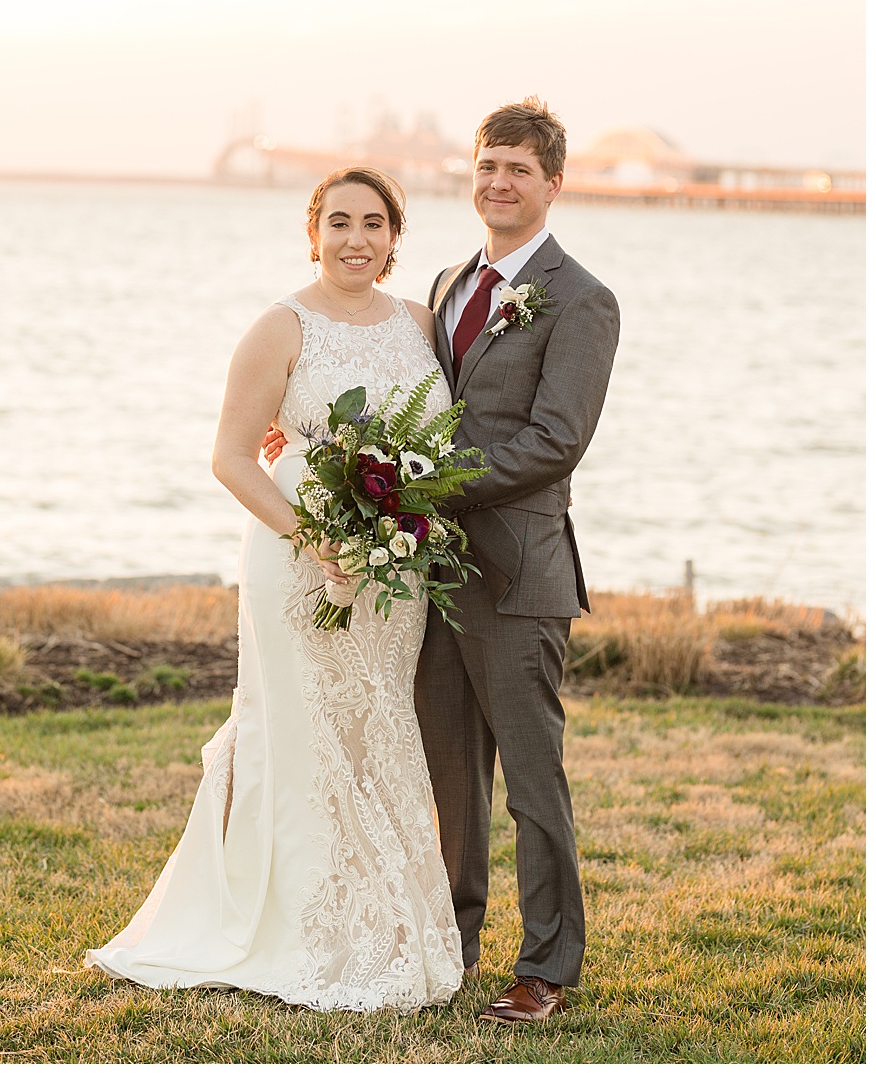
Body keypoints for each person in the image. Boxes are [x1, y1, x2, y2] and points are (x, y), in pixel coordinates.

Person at [84, 166, 464, 1012]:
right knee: (302, 732)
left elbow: (438, 438)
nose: (356, 238)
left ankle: (391, 924)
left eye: (373, 222)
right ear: (312, 232)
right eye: (339, 222)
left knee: (376, 728)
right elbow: (228, 456)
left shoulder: (423, 325)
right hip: (298, 560)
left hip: (392, 572)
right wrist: (320, 539)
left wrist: (398, 531)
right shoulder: (279, 326)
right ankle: (299, 923)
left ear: (396, 237)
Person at [412, 97, 619, 1023]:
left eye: (520, 171)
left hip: (521, 574)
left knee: (534, 783)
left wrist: (428, 488)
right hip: (434, 576)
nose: (500, 183)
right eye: (489, 166)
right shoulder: (452, 280)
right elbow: (414, 400)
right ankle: (451, 946)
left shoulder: (581, 299)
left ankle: (547, 969)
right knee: (450, 776)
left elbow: (555, 441)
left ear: (553, 185)